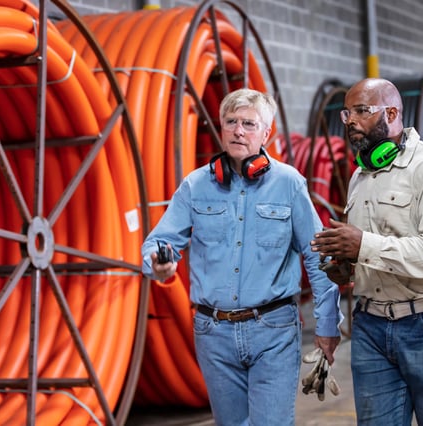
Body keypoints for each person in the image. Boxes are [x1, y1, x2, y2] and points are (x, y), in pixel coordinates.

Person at [141, 88, 343, 426]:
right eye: (231, 122)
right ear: (220, 128)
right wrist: (158, 263)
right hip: (213, 334)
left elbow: (318, 256)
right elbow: (159, 242)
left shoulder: (289, 184)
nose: (238, 130)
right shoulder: (195, 186)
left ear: (266, 133)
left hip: (273, 329)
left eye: (249, 124)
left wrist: (327, 326)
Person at [311, 78, 423, 425]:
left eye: (361, 111)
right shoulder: (361, 176)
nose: (350, 120)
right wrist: (347, 266)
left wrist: (363, 244)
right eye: (346, 113)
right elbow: (376, 252)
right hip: (370, 325)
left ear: (392, 112)